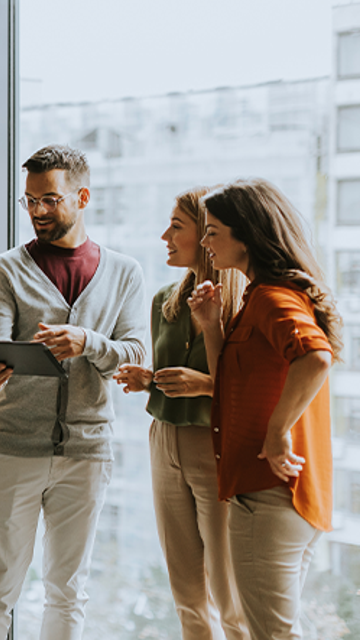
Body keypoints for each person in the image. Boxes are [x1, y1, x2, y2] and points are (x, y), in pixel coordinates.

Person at [0, 144, 147, 640]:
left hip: (88, 451)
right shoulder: (5, 270)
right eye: (29, 201)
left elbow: (136, 353)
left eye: (49, 199)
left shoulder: (124, 272)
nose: (37, 212)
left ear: (82, 196)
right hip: (13, 446)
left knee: (69, 588)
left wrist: (87, 342)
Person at [187, 178, 343, 640]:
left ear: (247, 235)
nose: (205, 242)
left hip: (269, 493)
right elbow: (230, 387)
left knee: (271, 636)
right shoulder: (259, 296)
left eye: (213, 231)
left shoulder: (272, 297)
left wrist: (277, 433)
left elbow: (315, 357)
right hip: (278, 496)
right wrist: (212, 328)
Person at [113, 187, 249, 640]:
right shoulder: (164, 302)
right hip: (163, 440)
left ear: (206, 235)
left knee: (230, 592)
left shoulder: (243, 303)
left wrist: (205, 385)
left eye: (176, 226)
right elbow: (178, 371)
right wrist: (148, 379)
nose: (164, 236)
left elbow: (250, 385)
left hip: (212, 445)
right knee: (186, 591)